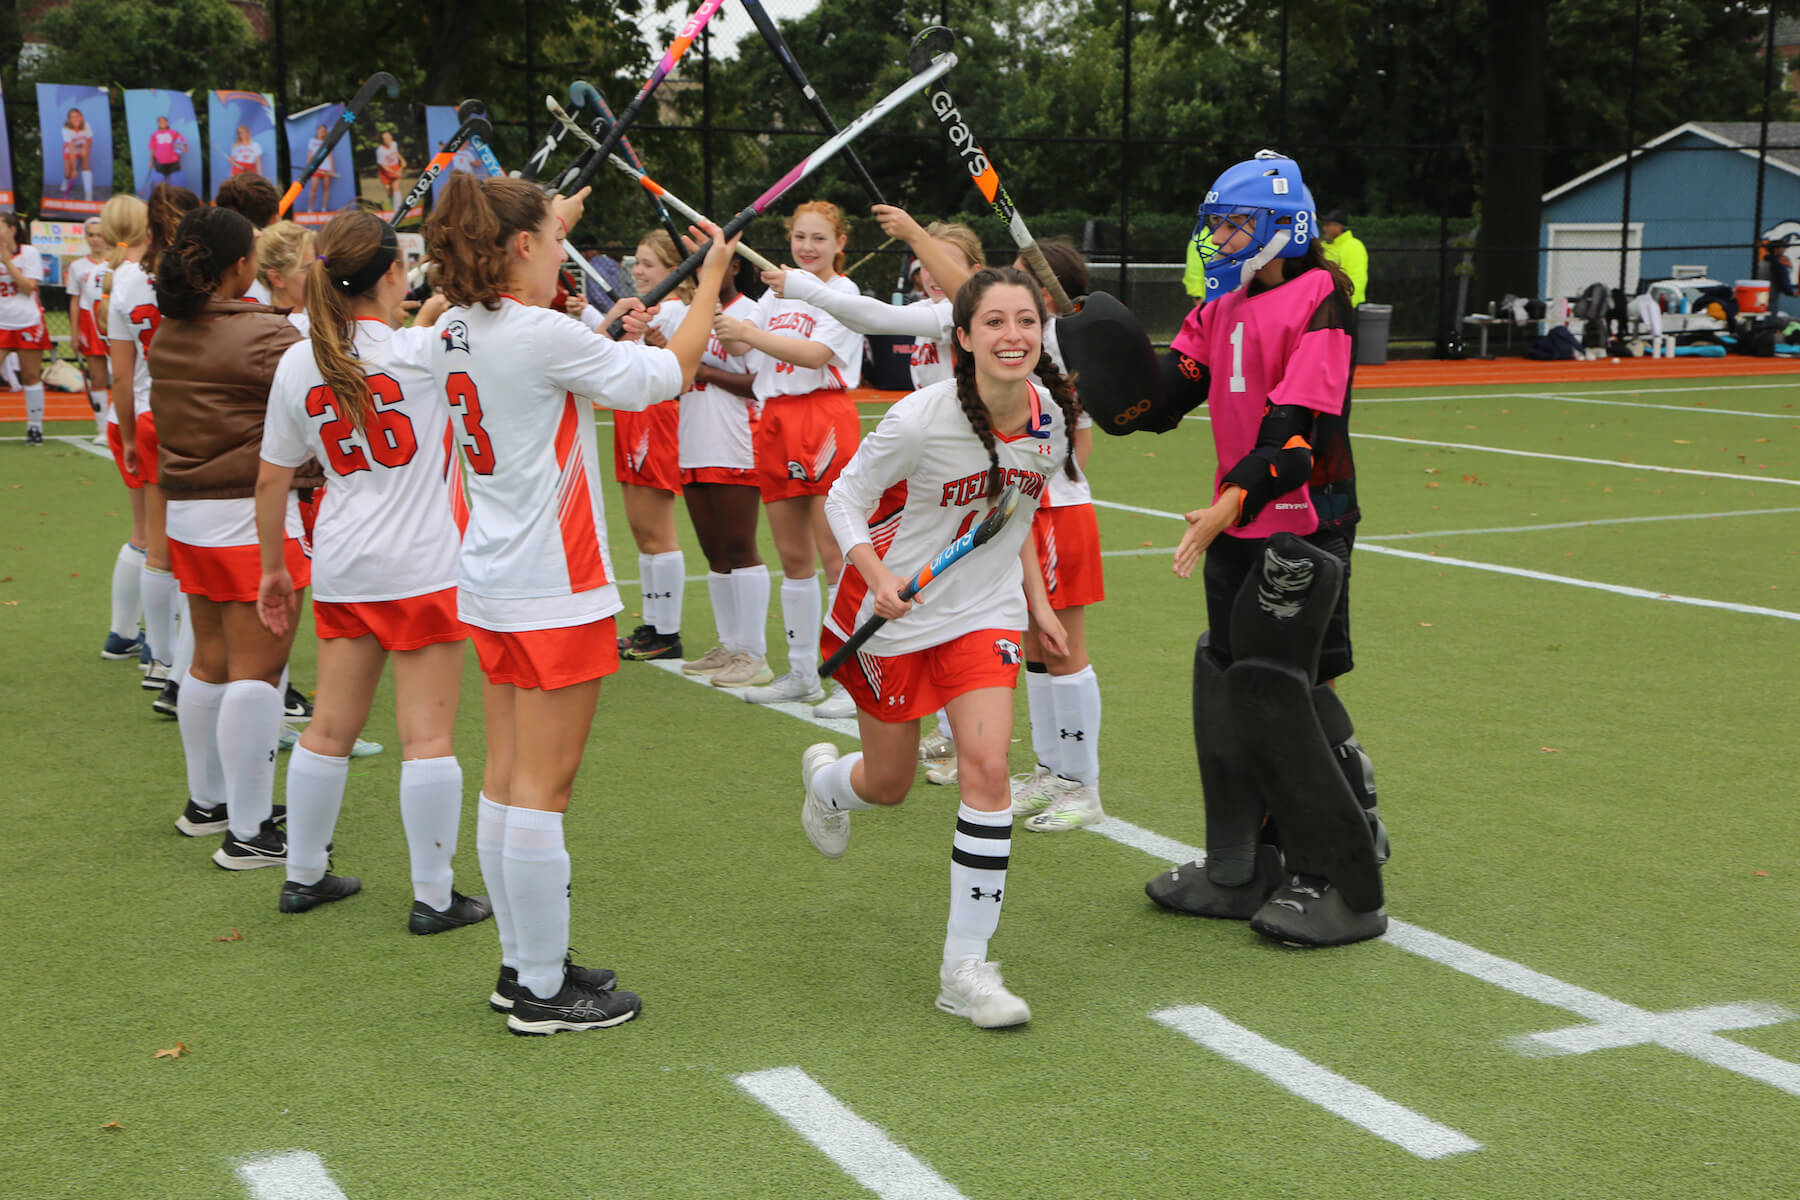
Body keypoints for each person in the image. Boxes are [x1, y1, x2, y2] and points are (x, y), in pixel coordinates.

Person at [424, 172, 739, 1034]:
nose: (570, 252)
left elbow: (542, 350)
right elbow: (668, 374)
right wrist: (709, 283)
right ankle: (539, 988)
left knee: (506, 778)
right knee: (542, 791)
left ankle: (523, 964)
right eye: (557, 240)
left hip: (492, 580)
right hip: (552, 590)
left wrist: (539, 235)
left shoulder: (453, 325)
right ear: (521, 247)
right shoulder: (535, 332)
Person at [802, 265, 1078, 1028]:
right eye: (994, 322)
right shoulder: (920, 420)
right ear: (963, 337)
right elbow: (844, 499)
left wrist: (1038, 605)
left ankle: (966, 969)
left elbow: (1013, 514)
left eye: (1025, 321)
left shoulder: (1047, 418)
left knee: (987, 770)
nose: (1013, 335)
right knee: (887, 784)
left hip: (981, 613)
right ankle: (828, 786)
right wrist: (874, 572)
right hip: (891, 616)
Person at [1139, 151, 1388, 948]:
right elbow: (1161, 397)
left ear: (1286, 226)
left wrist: (1225, 503)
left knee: (1284, 690)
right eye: (1215, 223)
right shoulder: (1221, 304)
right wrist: (1085, 355)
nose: (1219, 237)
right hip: (1239, 518)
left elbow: (1294, 437)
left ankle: (1344, 873)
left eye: (1235, 223)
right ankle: (1244, 866)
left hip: (1306, 521)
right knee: (1230, 684)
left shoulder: (1324, 300)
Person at [254, 210, 483, 929]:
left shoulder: (300, 358)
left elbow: (270, 480)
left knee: (328, 729)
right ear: (392, 274)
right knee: (428, 738)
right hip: (423, 565)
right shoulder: (422, 352)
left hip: (345, 560)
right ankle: (434, 894)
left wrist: (272, 570)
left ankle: (304, 874)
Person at [767, 204, 985, 721]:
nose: (932, 273)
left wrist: (806, 287)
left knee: (893, 579)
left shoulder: (960, 312)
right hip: (932, 478)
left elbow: (875, 318)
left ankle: (877, 688)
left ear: (973, 271)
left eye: (944, 261)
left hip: (963, 483)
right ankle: (928, 715)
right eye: (924, 261)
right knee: (909, 588)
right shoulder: (935, 312)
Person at [149, 204, 308, 868]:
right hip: (248, 517)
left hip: (187, 515)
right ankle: (249, 831)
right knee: (260, 672)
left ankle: (208, 803)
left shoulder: (171, 328)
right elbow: (321, 403)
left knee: (209, 661)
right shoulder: (266, 336)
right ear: (243, 267)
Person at [710, 200, 866, 701]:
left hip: (823, 417)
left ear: (841, 243)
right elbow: (739, 348)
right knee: (794, 557)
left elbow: (816, 354)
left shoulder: (841, 292)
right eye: (800, 237)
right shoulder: (775, 294)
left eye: (819, 238)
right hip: (775, 420)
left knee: (835, 554)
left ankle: (846, 675)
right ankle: (801, 673)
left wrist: (750, 332)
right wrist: (718, 309)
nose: (807, 247)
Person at [1002, 240, 1108, 833]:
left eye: (1021, 278)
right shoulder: (1022, 345)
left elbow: (1081, 444)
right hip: (1023, 514)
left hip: (1056, 514)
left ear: (1047, 291)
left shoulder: (1063, 346)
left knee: (1063, 646)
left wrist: (1045, 483)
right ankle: (1050, 768)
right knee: (1035, 650)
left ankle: (1082, 784)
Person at [110, 186, 203, 716]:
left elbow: (121, 376)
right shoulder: (199, 272)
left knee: (156, 544)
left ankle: (160, 660)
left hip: (147, 414)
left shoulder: (125, 279)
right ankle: (179, 665)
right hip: (193, 415)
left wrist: (124, 435)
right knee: (194, 545)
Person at [672, 258, 765, 681]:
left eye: (709, 264)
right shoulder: (690, 315)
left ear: (734, 266)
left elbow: (760, 382)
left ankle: (754, 653)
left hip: (735, 442)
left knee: (740, 547)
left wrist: (704, 370)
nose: (699, 273)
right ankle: (729, 646)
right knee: (714, 553)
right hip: (693, 441)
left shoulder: (751, 312)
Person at [612, 229, 692, 662]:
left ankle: (667, 630)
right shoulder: (649, 310)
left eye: (649, 264)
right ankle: (654, 625)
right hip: (631, 413)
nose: (639, 271)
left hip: (655, 417)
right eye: (637, 263)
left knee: (657, 529)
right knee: (642, 531)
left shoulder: (676, 311)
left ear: (674, 272)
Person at [95, 200, 147, 664]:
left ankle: (123, 631)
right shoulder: (149, 277)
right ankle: (158, 644)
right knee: (162, 537)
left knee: (144, 530)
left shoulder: (115, 278)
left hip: (123, 415)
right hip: (152, 417)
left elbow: (120, 375)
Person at [1, 213, 50, 447]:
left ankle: (35, 427)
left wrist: (7, 261)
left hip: (27, 322)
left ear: (11, 230)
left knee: (31, 375)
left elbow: (29, 287)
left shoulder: (29, 253)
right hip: (1, 322)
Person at [67, 217, 112, 443]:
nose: (95, 239)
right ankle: (103, 428)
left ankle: (123, 424)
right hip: (89, 323)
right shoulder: (77, 267)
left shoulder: (117, 262)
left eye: (99, 234)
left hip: (114, 321)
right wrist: (74, 333)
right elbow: (75, 301)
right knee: (97, 377)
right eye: (91, 235)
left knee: (124, 375)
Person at [1319, 209, 1368, 307]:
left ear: (1339, 226)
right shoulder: (1322, 246)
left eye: (1328, 225)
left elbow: (1357, 279)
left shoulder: (1354, 246)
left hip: (1344, 308)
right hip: (1325, 307)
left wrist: (1347, 307)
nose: (1324, 228)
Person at [148, 115, 188, 190]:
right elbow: (152, 149)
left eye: (164, 121)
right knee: (160, 182)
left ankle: (175, 197)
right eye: (160, 121)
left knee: (175, 181)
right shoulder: (154, 135)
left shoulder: (174, 133)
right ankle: (162, 197)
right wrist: (150, 162)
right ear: (158, 123)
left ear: (167, 123)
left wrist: (185, 148)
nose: (162, 123)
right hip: (159, 163)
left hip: (174, 162)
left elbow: (183, 142)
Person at [63, 108, 94, 200]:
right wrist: (74, 169)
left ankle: (88, 194)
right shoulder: (65, 129)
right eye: (72, 117)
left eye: (77, 116)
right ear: (69, 119)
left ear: (82, 117)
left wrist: (86, 147)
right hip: (70, 150)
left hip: (82, 149)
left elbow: (89, 140)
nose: (75, 118)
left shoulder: (86, 125)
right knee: (68, 173)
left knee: (86, 167)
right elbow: (71, 149)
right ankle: (65, 181)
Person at [304, 123, 335, 213]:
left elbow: (330, 156)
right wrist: (308, 166)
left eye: (324, 131)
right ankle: (310, 209)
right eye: (320, 130)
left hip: (326, 168)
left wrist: (332, 169)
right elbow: (309, 154)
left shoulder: (327, 142)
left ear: (326, 133)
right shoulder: (312, 141)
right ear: (317, 131)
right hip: (315, 168)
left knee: (326, 188)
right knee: (314, 188)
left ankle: (324, 208)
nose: (322, 132)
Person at [375, 130, 407, 214]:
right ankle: (394, 208)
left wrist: (402, 159)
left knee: (395, 187)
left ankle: (398, 209)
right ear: (382, 140)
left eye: (389, 137)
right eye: (385, 138)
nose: (388, 140)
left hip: (395, 167)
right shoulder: (380, 151)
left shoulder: (394, 144)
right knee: (389, 190)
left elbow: (396, 153)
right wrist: (393, 172)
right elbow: (383, 166)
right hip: (385, 171)